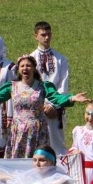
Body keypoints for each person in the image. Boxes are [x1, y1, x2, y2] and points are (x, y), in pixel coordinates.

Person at [0, 55, 90, 161]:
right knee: (18, 162)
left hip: (38, 131)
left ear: (34, 68)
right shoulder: (12, 87)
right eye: (22, 66)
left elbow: (56, 98)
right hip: (18, 132)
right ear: (19, 70)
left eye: (28, 65)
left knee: (38, 161)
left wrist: (71, 98)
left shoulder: (43, 86)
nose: (25, 68)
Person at [27, 21, 71, 155]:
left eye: (48, 34)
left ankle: (60, 172)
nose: (46, 38)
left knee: (57, 144)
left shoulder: (60, 59)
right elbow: (29, 84)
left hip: (55, 108)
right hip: (37, 107)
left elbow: (63, 84)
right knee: (38, 144)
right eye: (43, 35)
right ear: (36, 36)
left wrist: (53, 105)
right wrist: (42, 104)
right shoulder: (31, 59)